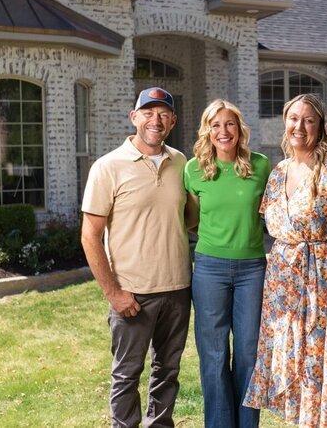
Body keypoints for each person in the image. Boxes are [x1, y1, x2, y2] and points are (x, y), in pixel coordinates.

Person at [80, 87, 191, 428]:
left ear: (171, 121)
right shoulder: (107, 167)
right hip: (133, 294)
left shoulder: (181, 162)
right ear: (134, 117)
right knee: (127, 375)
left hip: (177, 289)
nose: (154, 120)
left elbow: (188, 218)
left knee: (168, 372)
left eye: (162, 114)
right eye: (148, 112)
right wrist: (114, 293)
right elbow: (90, 236)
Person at [243, 94, 327, 427]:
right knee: (288, 358)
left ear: (320, 126)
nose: (300, 126)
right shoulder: (278, 172)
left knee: (320, 360)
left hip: (324, 276)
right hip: (282, 278)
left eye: (309, 120)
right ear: (285, 122)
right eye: (294, 118)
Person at [183, 99, 271, 428]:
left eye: (229, 124)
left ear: (240, 129)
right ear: (207, 131)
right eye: (216, 125)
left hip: (252, 270)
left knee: (248, 353)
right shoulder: (193, 169)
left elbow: (272, 216)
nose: (223, 131)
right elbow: (192, 220)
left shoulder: (260, 166)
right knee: (214, 353)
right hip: (209, 269)